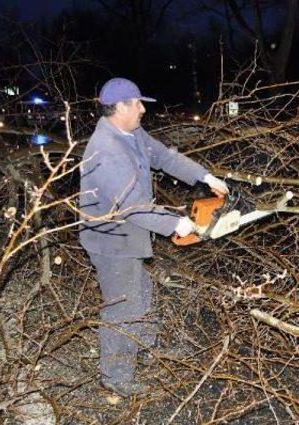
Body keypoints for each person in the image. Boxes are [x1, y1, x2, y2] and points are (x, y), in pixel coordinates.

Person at [79, 77, 228, 396]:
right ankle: (116, 377)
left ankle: (144, 345)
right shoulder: (106, 150)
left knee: (141, 292)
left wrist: (204, 175)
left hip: (127, 230)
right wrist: (176, 223)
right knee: (122, 306)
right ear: (119, 107)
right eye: (136, 103)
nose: (142, 109)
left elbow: (163, 156)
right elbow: (131, 207)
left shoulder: (130, 133)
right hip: (111, 239)